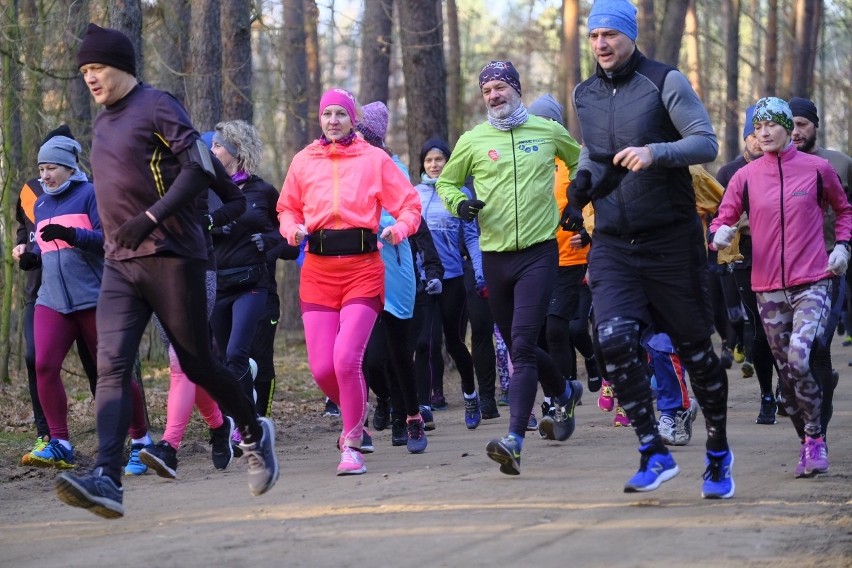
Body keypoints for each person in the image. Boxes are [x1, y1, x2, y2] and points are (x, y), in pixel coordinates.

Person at [56, 23, 278, 519]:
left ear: (123, 67)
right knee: (112, 367)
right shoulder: (101, 122)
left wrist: (152, 217)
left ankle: (252, 428)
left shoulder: (158, 105)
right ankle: (108, 478)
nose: (90, 78)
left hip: (174, 256)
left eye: (98, 68)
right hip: (120, 263)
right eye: (84, 71)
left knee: (198, 363)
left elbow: (201, 171)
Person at [571, 0, 733, 498]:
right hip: (615, 241)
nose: (601, 44)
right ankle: (652, 450)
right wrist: (579, 188)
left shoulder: (665, 81)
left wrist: (655, 152)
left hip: (670, 240)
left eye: (610, 35)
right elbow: (593, 153)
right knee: (613, 340)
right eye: (594, 35)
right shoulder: (584, 94)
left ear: (630, 36)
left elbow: (705, 143)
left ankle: (718, 453)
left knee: (694, 352)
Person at [436, 61, 583, 475]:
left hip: (538, 252)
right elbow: (446, 183)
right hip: (494, 256)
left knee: (520, 344)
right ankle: (564, 389)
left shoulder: (547, 131)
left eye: (500, 87)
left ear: (517, 89)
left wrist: (574, 201)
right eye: (487, 91)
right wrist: (460, 204)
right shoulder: (473, 140)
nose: (494, 96)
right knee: (520, 342)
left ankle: (515, 438)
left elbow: (580, 162)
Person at [277, 88, 421, 475]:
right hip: (319, 272)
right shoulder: (304, 161)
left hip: (363, 268)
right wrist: (291, 228)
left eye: (342, 114)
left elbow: (409, 204)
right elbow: (287, 207)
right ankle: (355, 416)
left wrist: (400, 230)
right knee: (323, 368)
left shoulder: (374, 159)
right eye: (328, 114)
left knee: (346, 359)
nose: (334, 121)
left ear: (352, 119)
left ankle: (353, 443)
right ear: (320, 119)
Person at [710, 96, 851, 478]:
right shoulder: (745, 176)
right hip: (767, 287)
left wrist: (842, 246)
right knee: (786, 375)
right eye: (758, 127)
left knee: (800, 358)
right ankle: (808, 441)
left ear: (788, 128)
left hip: (813, 282)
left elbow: (845, 210)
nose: (765, 132)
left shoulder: (818, 169)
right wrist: (719, 233)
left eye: (772, 124)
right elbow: (723, 217)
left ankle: (816, 436)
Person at [137, 131, 250, 479]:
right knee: (191, 362)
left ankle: (169, 447)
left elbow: (236, 201)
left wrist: (208, 222)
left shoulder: (199, 155)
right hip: (155, 272)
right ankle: (218, 425)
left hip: (200, 269)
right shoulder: (138, 159)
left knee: (179, 361)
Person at [15, 135, 105, 469]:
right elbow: (40, 242)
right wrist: (31, 257)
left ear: (69, 167)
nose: (45, 175)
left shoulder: (91, 193)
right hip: (51, 298)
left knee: (111, 370)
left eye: (51, 167)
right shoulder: (39, 203)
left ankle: (139, 439)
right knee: (43, 364)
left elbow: (108, 242)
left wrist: (73, 236)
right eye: (41, 169)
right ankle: (60, 442)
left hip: (93, 296)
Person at [356, 100, 440, 452]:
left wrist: (380, 225)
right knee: (371, 358)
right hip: (358, 268)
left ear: (371, 135)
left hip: (394, 268)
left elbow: (405, 211)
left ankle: (409, 417)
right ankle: (386, 399)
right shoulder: (345, 165)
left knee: (397, 350)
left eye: (360, 131)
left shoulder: (393, 166)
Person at [527, 94, 601, 403]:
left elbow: (597, 202)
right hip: (536, 257)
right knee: (543, 332)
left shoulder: (576, 157)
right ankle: (560, 389)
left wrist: (587, 233)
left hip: (572, 257)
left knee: (559, 328)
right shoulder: (527, 160)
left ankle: (564, 391)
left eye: (549, 122)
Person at [789, 96, 852, 440]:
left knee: (817, 345)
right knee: (791, 356)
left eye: (803, 124)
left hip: (829, 263)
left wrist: (845, 247)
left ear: (815, 126)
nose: (796, 132)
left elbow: (848, 211)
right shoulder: (774, 165)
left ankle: (819, 427)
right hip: (785, 268)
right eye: (792, 124)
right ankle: (813, 398)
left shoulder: (840, 164)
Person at [208, 119, 282, 408]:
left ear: (236, 151)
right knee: (226, 358)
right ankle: (241, 416)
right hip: (217, 285)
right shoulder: (208, 191)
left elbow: (285, 232)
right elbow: (191, 228)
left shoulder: (263, 191)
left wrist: (268, 241)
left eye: (217, 145)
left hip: (252, 284)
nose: (211, 149)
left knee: (240, 352)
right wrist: (212, 229)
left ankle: (254, 419)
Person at [414, 137, 486, 430]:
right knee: (423, 343)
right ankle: (422, 408)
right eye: (428, 160)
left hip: (452, 278)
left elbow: (471, 237)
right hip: (420, 280)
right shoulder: (412, 194)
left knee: (454, 342)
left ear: (449, 162)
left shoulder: (459, 193)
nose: (433, 165)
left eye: (439, 160)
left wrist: (480, 274)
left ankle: (470, 394)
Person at [716, 106, 781, 425]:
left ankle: (787, 385)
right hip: (744, 258)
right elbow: (721, 215)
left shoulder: (783, 168)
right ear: (747, 136)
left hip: (783, 257)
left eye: (765, 131)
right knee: (760, 325)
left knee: (784, 328)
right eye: (754, 133)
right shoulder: (730, 173)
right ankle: (767, 395)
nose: (759, 138)